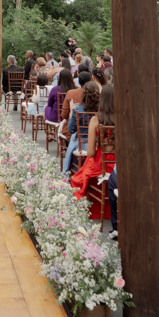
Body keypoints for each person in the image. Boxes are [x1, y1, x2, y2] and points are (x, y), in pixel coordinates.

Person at [70, 84, 116, 218]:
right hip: (118, 166)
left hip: (101, 166)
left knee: (78, 177)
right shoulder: (123, 119)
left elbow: (90, 153)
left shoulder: (96, 120)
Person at [63, 80, 100, 173]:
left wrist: (71, 112)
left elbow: (71, 130)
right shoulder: (102, 110)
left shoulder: (78, 110)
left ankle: (66, 170)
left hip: (82, 143)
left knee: (74, 136)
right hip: (98, 142)